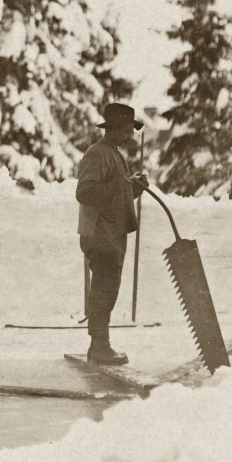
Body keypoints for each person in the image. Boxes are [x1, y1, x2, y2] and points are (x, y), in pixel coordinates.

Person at [76, 103, 148, 365]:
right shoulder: (97, 154)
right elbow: (84, 192)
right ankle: (99, 347)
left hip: (112, 232)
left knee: (109, 288)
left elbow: (115, 195)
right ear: (114, 129)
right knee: (104, 288)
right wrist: (120, 186)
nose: (130, 135)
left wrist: (133, 189)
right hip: (99, 232)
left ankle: (100, 344)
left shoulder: (115, 155)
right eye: (127, 130)